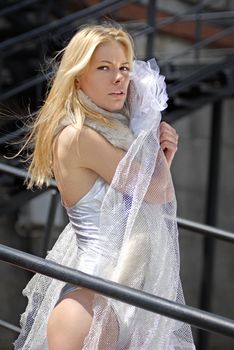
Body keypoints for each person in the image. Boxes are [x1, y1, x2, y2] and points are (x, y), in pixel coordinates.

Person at [14, 23, 195, 350]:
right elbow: (157, 192)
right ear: (78, 76)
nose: (119, 78)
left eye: (125, 68)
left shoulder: (116, 134)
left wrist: (161, 154)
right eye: (104, 67)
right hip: (90, 300)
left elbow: (146, 198)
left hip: (125, 296)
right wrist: (148, 126)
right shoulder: (80, 135)